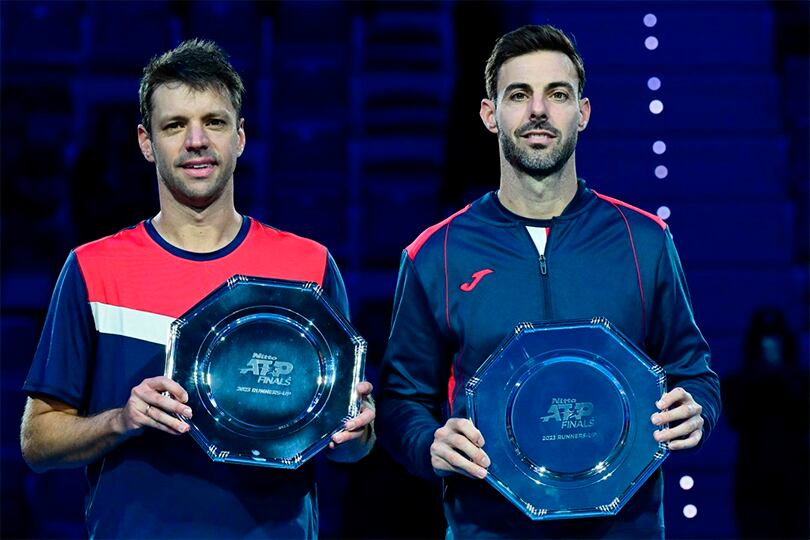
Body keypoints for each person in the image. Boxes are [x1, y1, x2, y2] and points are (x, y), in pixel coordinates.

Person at [20, 39, 375, 539]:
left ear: (241, 137)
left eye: (214, 121)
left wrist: (360, 430)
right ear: (146, 142)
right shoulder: (93, 269)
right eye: (174, 125)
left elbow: (351, 442)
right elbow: (37, 441)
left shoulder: (308, 266)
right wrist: (121, 419)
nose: (196, 141)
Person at [377, 24, 721, 539]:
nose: (538, 110)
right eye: (519, 95)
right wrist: (428, 442)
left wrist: (697, 411)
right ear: (489, 115)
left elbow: (696, 375)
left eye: (557, 94)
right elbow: (401, 398)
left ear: (582, 112)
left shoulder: (645, 241)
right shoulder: (436, 253)